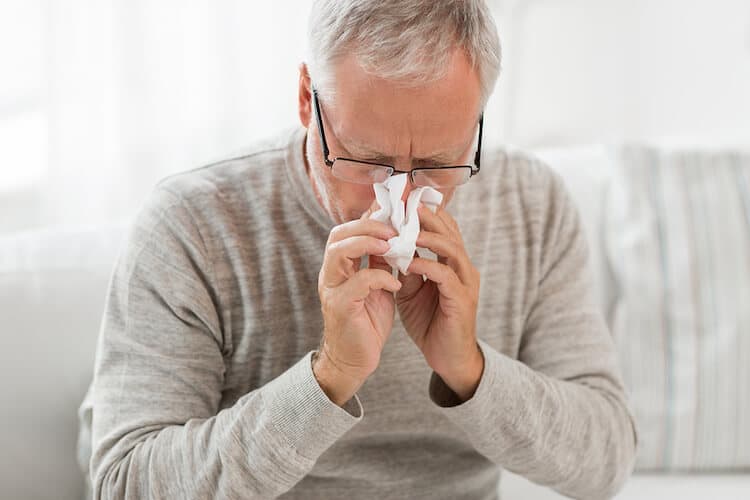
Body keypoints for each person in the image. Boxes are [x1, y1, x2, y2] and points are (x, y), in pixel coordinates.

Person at [78, 1, 638, 498]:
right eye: (364, 158)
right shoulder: (193, 222)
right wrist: (330, 376)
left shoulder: (532, 203)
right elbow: (125, 483)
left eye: (440, 162)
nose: (400, 197)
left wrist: (468, 367)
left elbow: (605, 463)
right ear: (307, 101)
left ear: (478, 124)